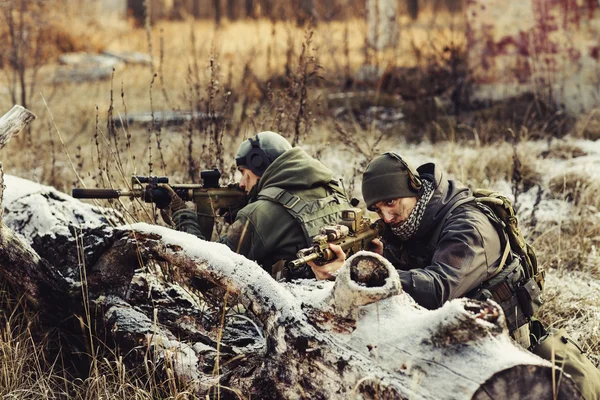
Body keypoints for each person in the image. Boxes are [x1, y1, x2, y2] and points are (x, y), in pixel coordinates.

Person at [310, 152, 600, 400]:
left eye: (391, 202)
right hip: (456, 343)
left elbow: (438, 289)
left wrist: (365, 273)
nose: (386, 217)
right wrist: (381, 257)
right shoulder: (411, 225)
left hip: (509, 353)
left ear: (414, 189)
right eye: (377, 208)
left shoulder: (469, 225)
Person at [161, 131, 351, 280]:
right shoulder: (332, 190)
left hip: (293, 313)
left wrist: (182, 214)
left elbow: (204, 274)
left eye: (244, 172)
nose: (242, 183)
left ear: (259, 165)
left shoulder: (259, 214)